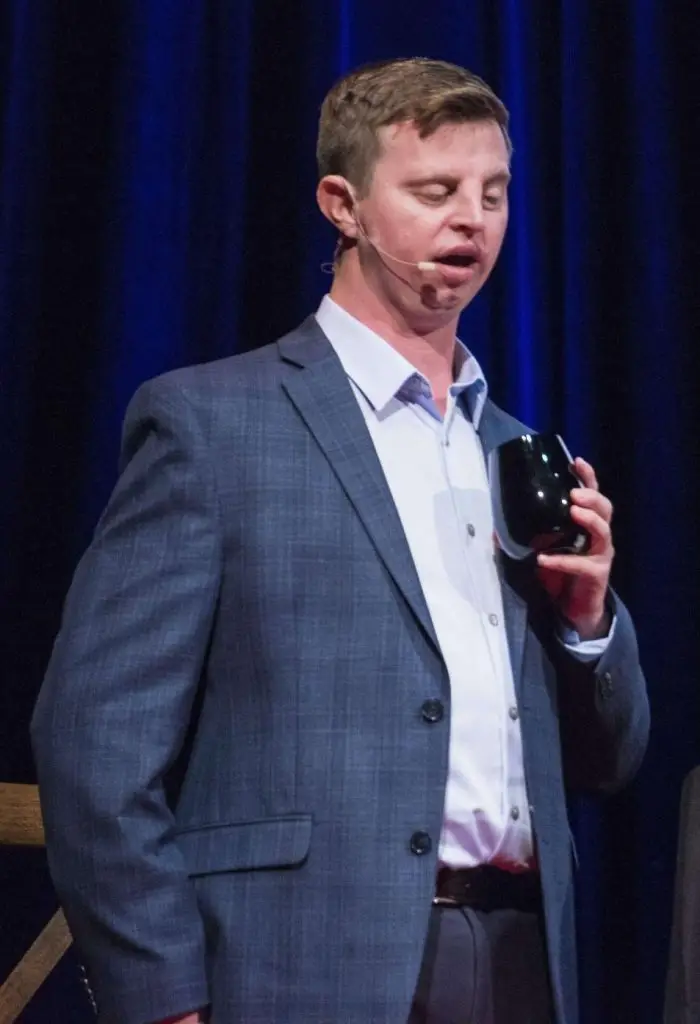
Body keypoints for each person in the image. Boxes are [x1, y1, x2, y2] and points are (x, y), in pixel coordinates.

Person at [31, 57, 649, 1024]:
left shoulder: (517, 453)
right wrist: (160, 995)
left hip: (523, 955)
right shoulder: (213, 424)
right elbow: (94, 744)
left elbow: (609, 762)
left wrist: (588, 620)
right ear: (343, 204)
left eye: (492, 194)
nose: (472, 221)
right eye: (435, 191)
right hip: (295, 968)